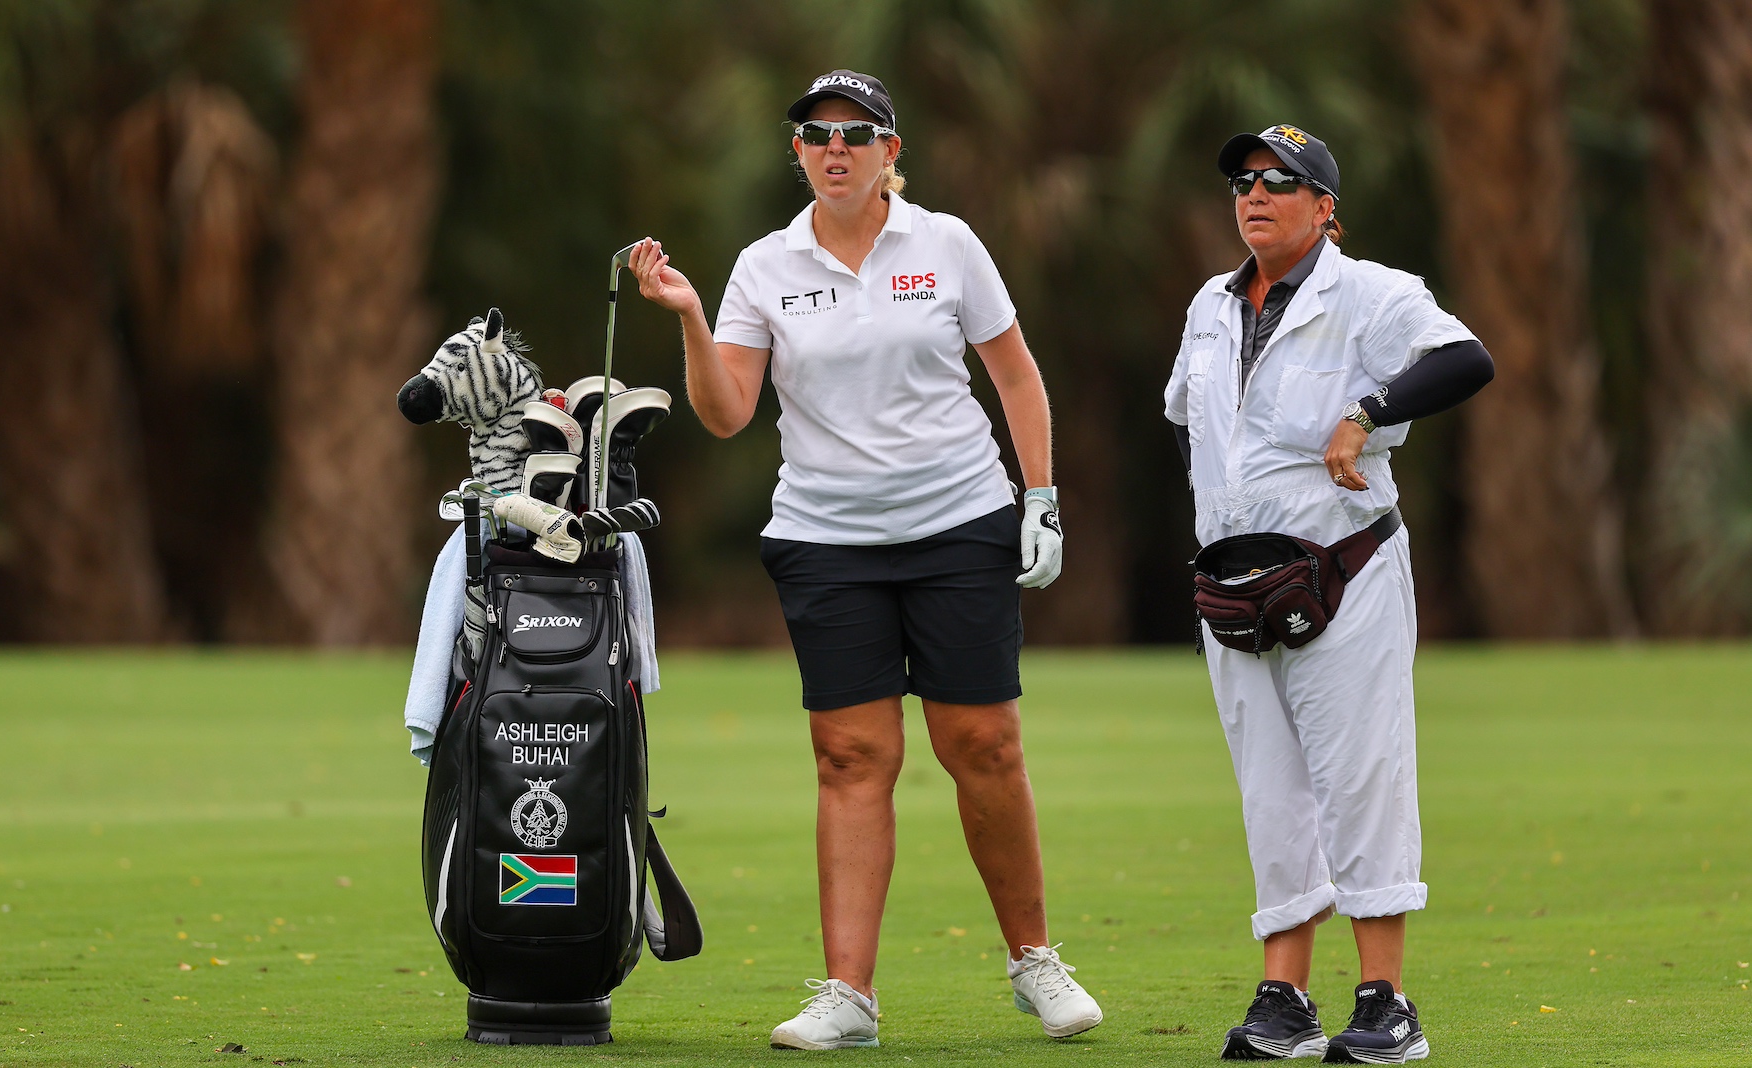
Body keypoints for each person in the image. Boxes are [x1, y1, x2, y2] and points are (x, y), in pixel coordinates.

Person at [627, 69, 1100, 1049]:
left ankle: (1034, 961)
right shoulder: (765, 265)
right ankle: (849, 996)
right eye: (816, 133)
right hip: (826, 537)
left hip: (959, 523)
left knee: (984, 744)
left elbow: (1014, 374)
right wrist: (687, 314)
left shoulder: (948, 244)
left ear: (892, 150)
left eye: (856, 132)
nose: (834, 147)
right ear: (796, 151)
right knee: (852, 756)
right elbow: (727, 414)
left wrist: (1040, 498)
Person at [1163, 125, 1493, 1063]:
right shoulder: (1211, 306)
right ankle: (1284, 1000)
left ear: (1325, 207)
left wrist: (1368, 412)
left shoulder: (1373, 292)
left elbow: (1466, 360)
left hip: (1343, 572)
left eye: (1280, 181)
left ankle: (1387, 1003)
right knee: (1272, 793)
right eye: (1242, 181)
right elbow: (1187, 419)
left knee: (1360, 781)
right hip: (1236, 588)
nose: (1255, 194)